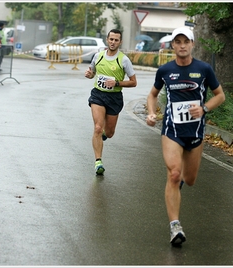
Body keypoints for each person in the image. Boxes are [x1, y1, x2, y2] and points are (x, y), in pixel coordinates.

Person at [146, 27, 225, 246]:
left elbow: (220, 96)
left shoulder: (204, 69)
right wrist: (152, 112)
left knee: (188, 180)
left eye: (186, 41)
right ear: (172, 45)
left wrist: (205, 108)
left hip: (196, 132)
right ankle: (175, 227)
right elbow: (152, 95)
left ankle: (178, 185)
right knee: (173, 173)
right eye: (177, 42)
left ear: (192, 44)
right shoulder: (164, 70)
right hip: (172, 130)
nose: (182, 45)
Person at [84, 29, 137, 175]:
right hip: (98, 95)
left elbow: (134, 82)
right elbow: (92, 73)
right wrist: (89, 75)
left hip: (114, 98)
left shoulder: (124, 60)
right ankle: (98, 162)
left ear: (120, 42)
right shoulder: (98, 56)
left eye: (116, 40)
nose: (113, 42)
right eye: (111, 39)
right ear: (107, 40)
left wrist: (117, 83)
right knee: (97, 127)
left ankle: (102, 136)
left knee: (109, 132)